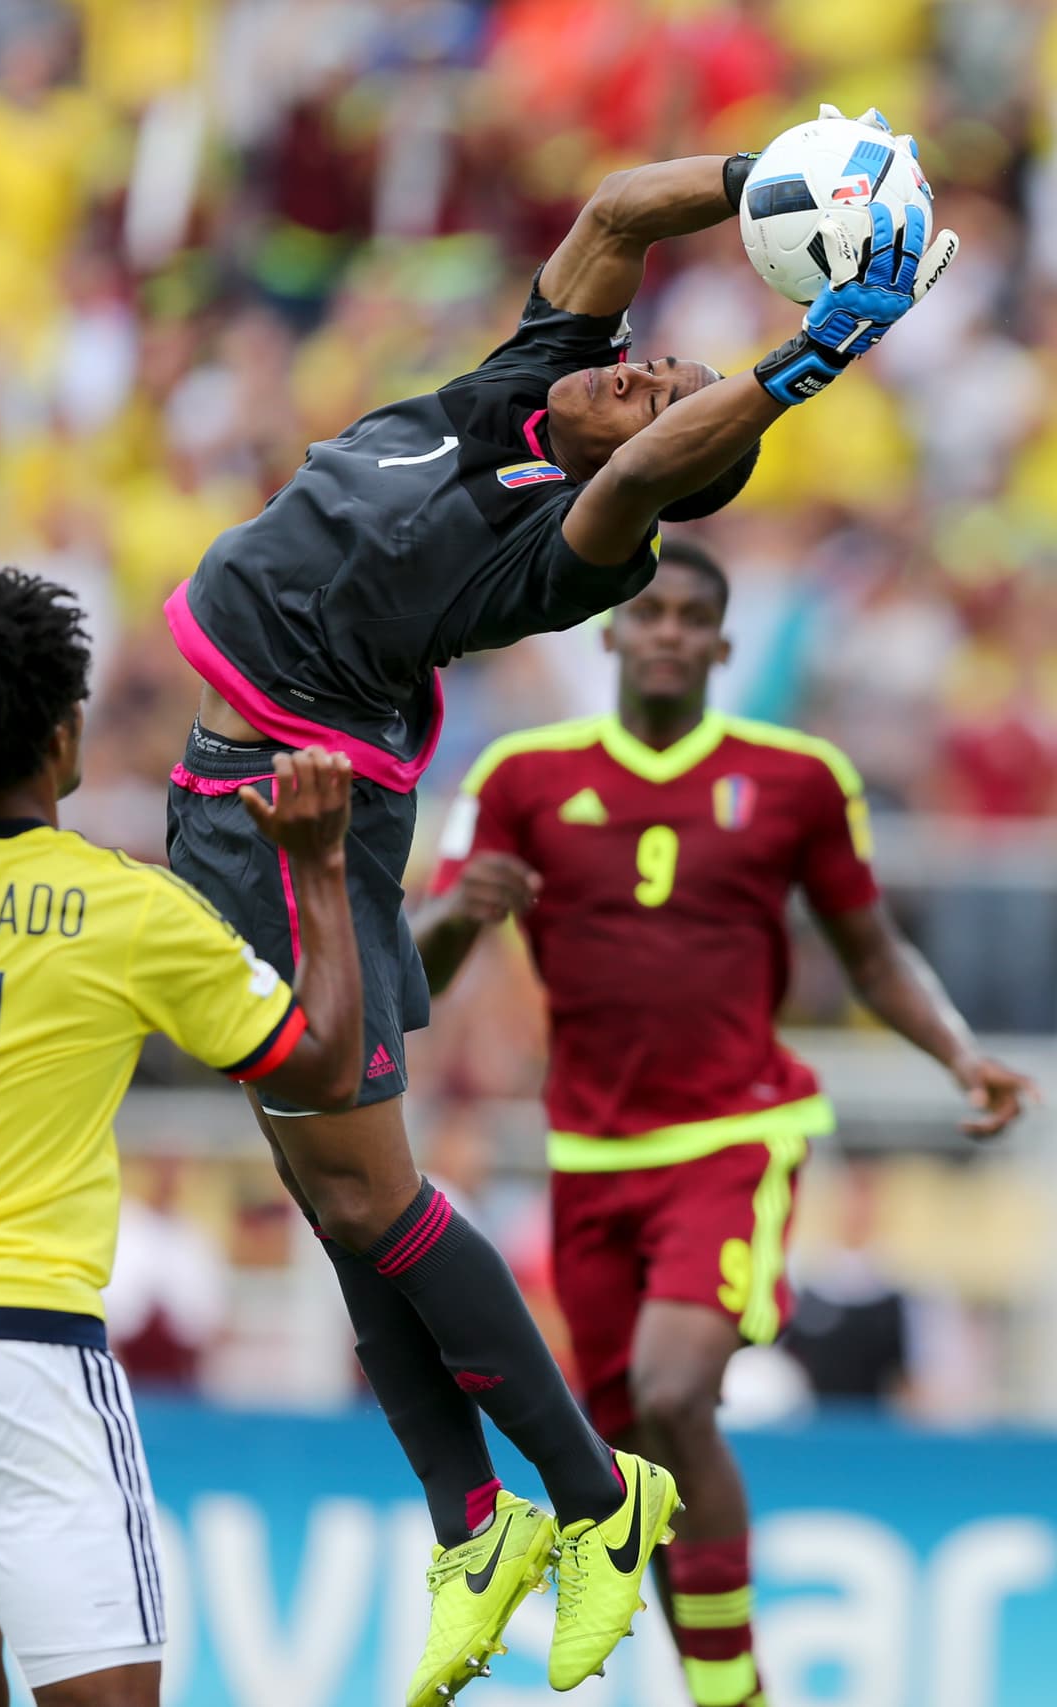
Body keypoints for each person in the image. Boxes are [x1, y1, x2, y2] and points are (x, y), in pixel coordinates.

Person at [162, 109, 958, 1701]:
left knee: (373, 1197)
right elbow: (614, 213)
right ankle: (475, 1525)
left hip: (293, 817)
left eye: (662, 387)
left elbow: (667, 459)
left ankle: (600, 1499)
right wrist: (779, 177)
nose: (642, 371)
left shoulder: (564, 546)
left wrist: (813, 357)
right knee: (337, 1216)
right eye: (647, 360)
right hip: (236, 796)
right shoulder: (515, 389)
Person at [414, 539, 1034, 1707]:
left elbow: (870, 950)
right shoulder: (519, 778)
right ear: (607, 632)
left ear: (722, 644)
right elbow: (425, 967)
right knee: (631, 1459)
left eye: (692, 617)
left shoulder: (794, 779)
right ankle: (719, 1686)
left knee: (669, 1390)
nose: (666, 633)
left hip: (732, 1138)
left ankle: (730, 1687)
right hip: (586, 1155)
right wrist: (459, 918)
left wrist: (958, 1054)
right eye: (648, 614)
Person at [0, 568, 363, 1707]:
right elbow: (326, 1068)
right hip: (15, 1345)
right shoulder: (124, 906)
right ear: (60, 736)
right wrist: (321, 869)